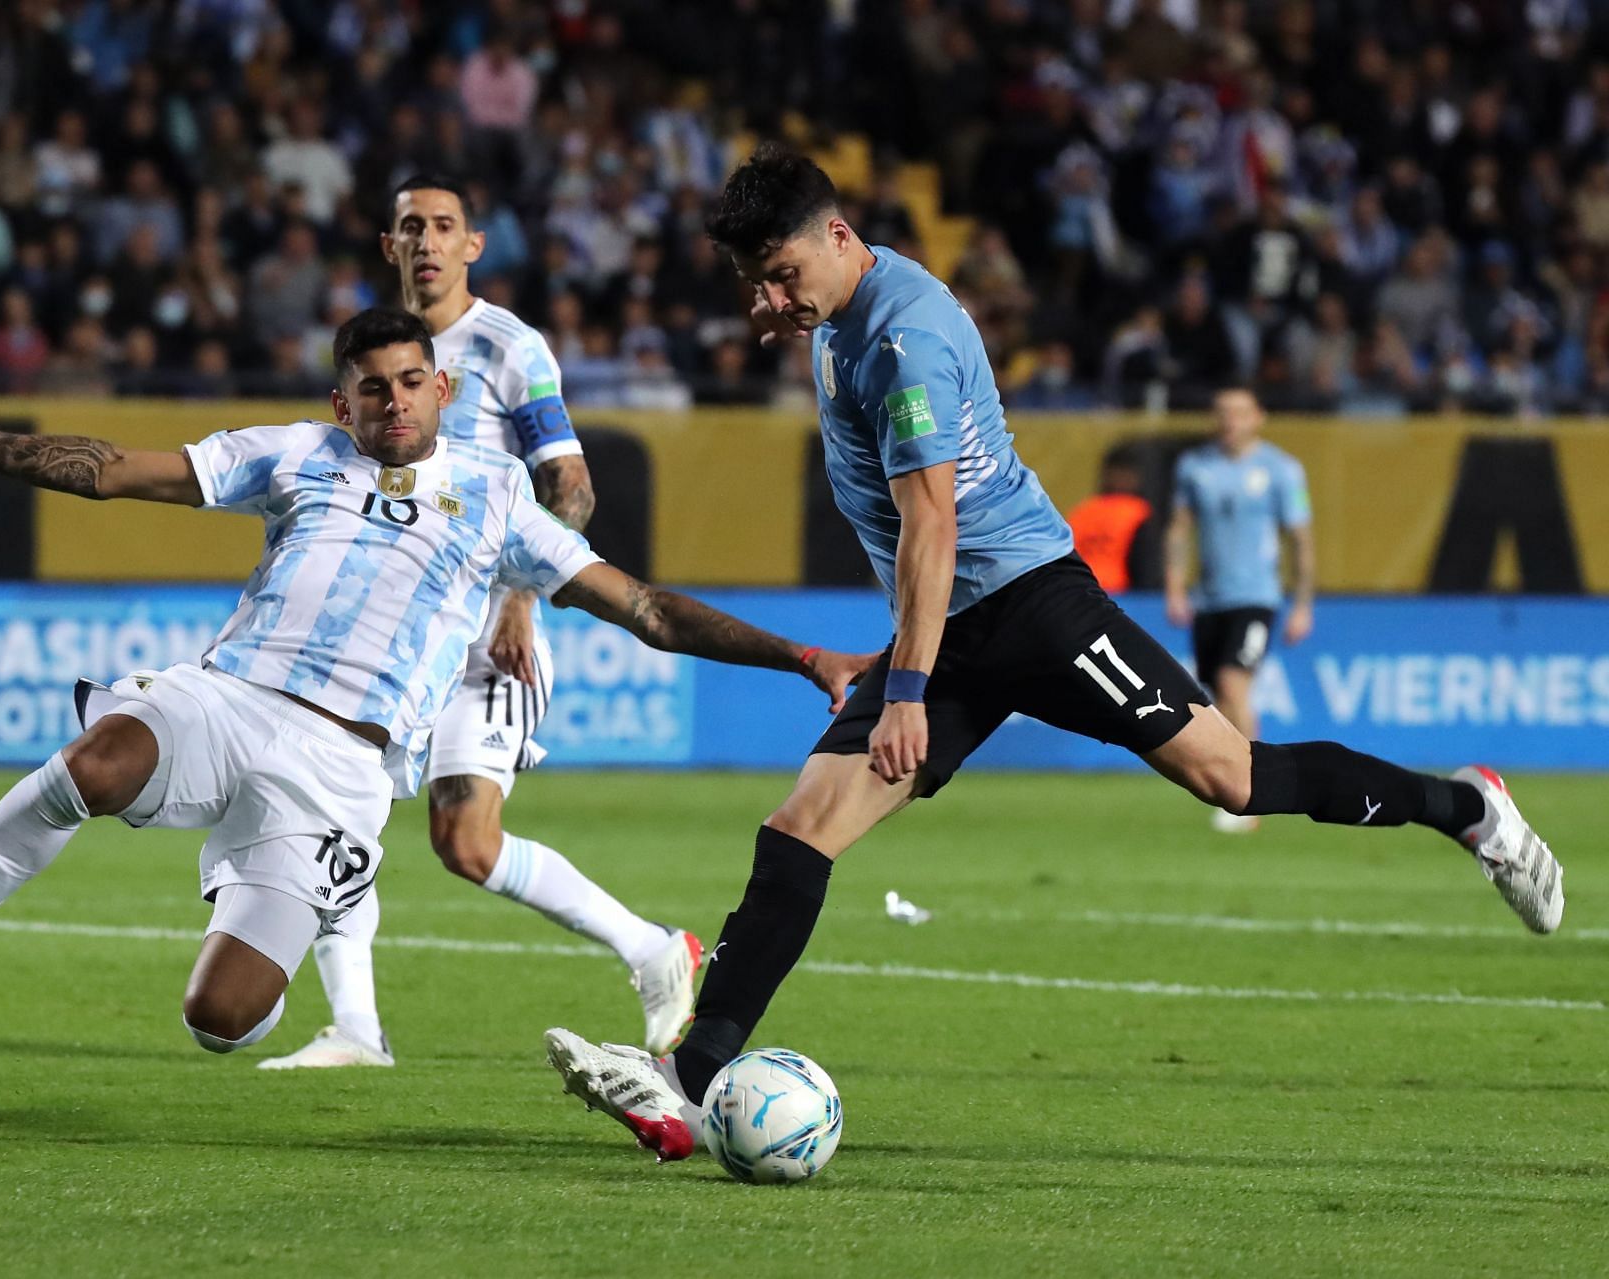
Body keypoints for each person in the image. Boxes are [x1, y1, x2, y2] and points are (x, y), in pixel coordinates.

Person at [540, 146, 1566, 1164]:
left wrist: (907, 691)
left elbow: (932, 524)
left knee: (1236, 775)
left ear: (841, 238)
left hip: (1037, 610)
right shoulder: (839, 309)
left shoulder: (904, 342)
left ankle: (1470, 808)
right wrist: (787, 309)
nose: (771, 298)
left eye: (783, 276)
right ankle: (689, 1081)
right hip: (950, 626)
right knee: (800, 827)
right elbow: (918, 534)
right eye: (755, 282)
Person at [0, 309, 873, 1054]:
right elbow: (109, 472)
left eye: (409, 383)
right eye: (370, 390)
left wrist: (805, 655)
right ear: (340, 401)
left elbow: (645, 607)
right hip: (231, 696)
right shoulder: (295, 454)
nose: (393, 403)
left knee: (223, 1020)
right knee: (97, 761)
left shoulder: (496, 500)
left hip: (346, 768)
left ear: (441, 387)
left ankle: (310, 890)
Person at [259, 176, 701, 1071]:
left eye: (444, 226)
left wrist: (520, 596)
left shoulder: (509, 347)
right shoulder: (375, 353)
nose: (426, 240)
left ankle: (654, 947)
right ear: (388, 246)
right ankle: (355, 1026)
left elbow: (569, 484)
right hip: (384, 628)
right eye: (410, 227)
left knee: (466, 839)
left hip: (487, 629)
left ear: (474, 245)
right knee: (330, 814)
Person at [1165, 387, 1314, 833]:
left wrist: (1303, 603)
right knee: (1219, 696)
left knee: (1234, 682)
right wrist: (1175, 587)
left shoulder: (1282, 470)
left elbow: (1300, 538)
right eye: (1222, 412)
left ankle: (1251, 797)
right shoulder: (1195, 467)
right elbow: (1179, 529)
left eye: (1239, 413)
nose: (1230, 420)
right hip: (1209, 600)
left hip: (1257, 597)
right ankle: (1238, 785)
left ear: (1258, 418)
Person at [1065, 444, 1157, 595]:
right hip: (1118, 594)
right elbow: (1143, 566)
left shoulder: (1083, 510)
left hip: (1078, 590)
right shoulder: (1137, 510)